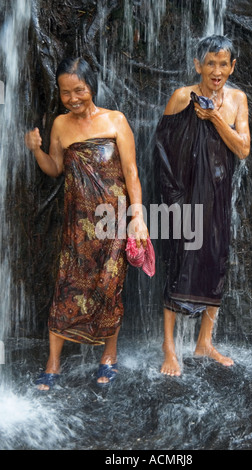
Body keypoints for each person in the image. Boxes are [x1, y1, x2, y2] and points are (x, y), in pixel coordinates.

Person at [25, 57, 148, 390]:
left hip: (114, 225)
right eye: (65, 93)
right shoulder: (61, 126)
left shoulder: (116, 120)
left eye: (78, 90)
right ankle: (52, 364)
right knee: (66, 286)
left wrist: (138, 215)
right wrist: (37, 151)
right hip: (77, 226)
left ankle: (108, 357)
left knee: (110, 289)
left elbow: (131, 171)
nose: (73, 98)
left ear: (91, 85)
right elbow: (55, 168)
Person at [155, 35, 250, 376]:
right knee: (179, 262)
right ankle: (169, 348)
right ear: (198, 65)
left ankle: (204, 342)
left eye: (224, 64)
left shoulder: (238, 99)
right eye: (210, 63)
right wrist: (173, 199)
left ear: (232, 66)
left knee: (216, 260)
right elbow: (162, 152)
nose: (217, 70)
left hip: (219, 195)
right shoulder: (182, 96)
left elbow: (243, 149)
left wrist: (214, 118)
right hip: (184, 195)